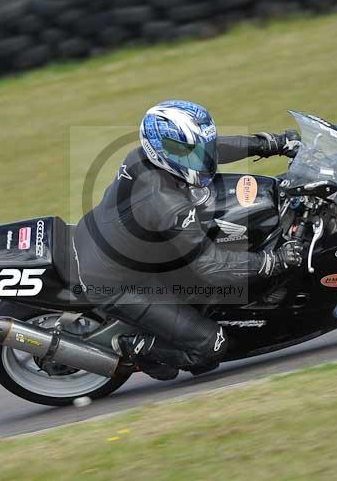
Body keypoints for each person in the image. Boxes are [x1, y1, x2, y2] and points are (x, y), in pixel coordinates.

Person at [73, 100, 303, 380]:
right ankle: (131, 345)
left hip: (120, 245)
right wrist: (273, 261)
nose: (201, 158)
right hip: (117, 281)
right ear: (163, 150)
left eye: (198, 150)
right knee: (210, 347)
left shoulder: (143, 157)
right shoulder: (166, 202)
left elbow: (213, 149)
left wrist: (269, 143)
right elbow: (212, 267)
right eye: (191, 153)